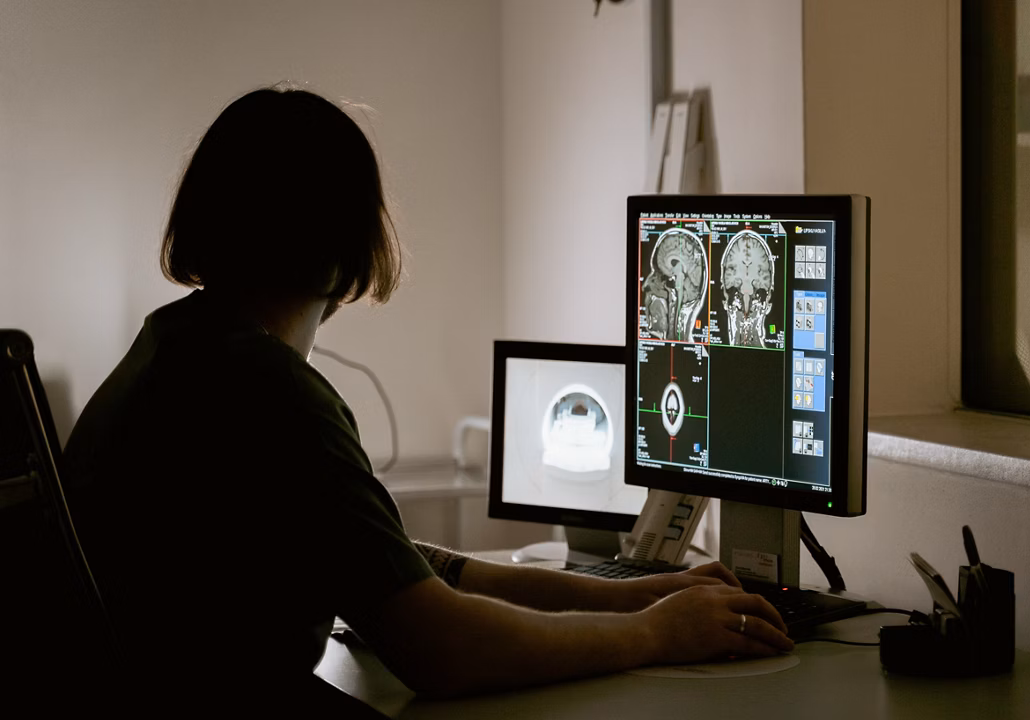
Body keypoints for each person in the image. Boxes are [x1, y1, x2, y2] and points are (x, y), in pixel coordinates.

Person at [61, 85, 792, 709]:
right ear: (347, 242)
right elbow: (441, 647)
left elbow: (398, 566)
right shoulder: (272, 394)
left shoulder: (176, 348)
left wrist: (633, 594)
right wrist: (658, 633)